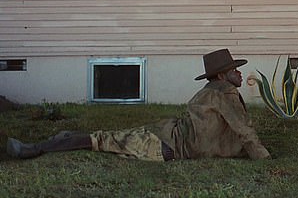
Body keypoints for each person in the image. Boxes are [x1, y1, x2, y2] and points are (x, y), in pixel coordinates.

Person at [7, 49, 271, 161]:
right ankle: (34, 149)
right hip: (165, 145)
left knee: (109, 139)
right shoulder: (223, 92)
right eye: (235, 70)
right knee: (102, 140)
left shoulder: (212, 89)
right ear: (223, 75)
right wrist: (263, 157)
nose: (239, 74)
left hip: (166, 134)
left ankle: (64, 138)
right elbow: (243, 128)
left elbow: (226, 133)